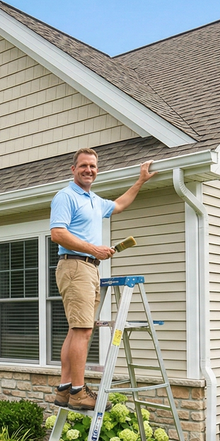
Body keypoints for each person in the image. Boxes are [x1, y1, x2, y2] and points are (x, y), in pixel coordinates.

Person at [50, 148, 157, 410]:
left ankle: (65, 390)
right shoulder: (66, 196)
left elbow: (119, 204)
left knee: (76, 330)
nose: (89, 170)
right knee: (83, 331)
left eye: (93, 167)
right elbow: (57, 234)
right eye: (84, 165)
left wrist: (140, 181)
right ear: (73, 169)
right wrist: (93, 249)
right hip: (75, 266)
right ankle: (78, 392)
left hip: (88, 267)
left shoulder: (94, 200)